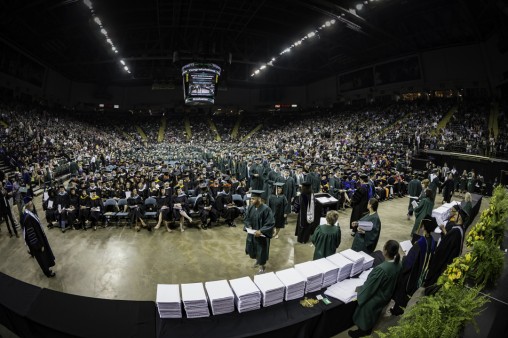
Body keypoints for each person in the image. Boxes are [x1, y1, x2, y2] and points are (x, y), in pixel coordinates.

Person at [348, 240, 402, 338]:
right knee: (374, 314)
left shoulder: (382, 269)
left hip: (376, 297)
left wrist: (360, 291)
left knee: (366, 312)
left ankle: (362, 331)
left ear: (385, 251)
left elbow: (370, 287)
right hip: (386, 295)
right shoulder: (398, 264)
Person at [390, 216, 437, 316]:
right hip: (422, 273)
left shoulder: (419, 244)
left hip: (412, 275)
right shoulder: (432, 241)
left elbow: (408, 264)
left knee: (402, 292)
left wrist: (404, 257)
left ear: (423, 227)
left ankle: (397, 311)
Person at [424, 205, 467, 294]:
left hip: (443, 262)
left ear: (460, 217)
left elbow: (444, 248)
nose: (454, 216)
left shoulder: (455, 232)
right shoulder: (460, 229)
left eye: (456, 215)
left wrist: (436, 254)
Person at [21, 196, 56, 278]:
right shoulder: (27, 217)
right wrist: (39, 246)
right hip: (37, 244)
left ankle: (47, 269)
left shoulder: (29, 213)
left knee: (44, 257)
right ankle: (47, 273)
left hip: (40, 240)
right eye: (30, 202)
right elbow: (31, 235)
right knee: (42, 258)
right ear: (27, 204)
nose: (32, 204)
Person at [244, 190, 275, 274]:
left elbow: (270, 222)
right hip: (252, 233)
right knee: (253, 248)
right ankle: (258, 261)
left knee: (261, 250)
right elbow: (246, 218)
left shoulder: (266, 209)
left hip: (262, 235)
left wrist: (261, 231)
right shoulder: (251, 207)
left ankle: (262, 265)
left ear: (259, 199)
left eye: (253, 199)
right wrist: (249, 226)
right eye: (251, 199)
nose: (251, 200)